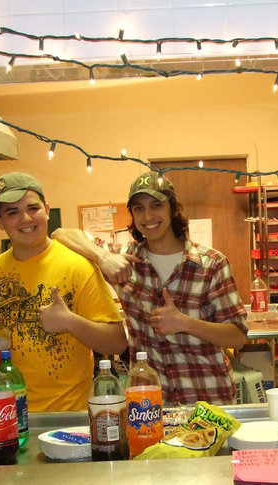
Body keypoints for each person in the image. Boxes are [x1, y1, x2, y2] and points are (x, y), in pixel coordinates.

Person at [52, 172, 248, 406]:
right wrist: (103, 257)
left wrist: (184, 323)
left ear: (173, 209)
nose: (148, 216)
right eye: (139, 208)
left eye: (156, 205)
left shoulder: (212, 264)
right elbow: (60, 234)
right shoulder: (124, 260)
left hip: (207, 401)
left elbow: (237, 336)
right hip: (149, 405)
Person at [0, 172, 126, 412]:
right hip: (7, 417)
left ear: (47, 210)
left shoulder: (78, 267)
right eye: (12, 212)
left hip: (70, 417)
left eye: (33, 208)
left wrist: (69, 322)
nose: (25, 219)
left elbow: (117, 342)